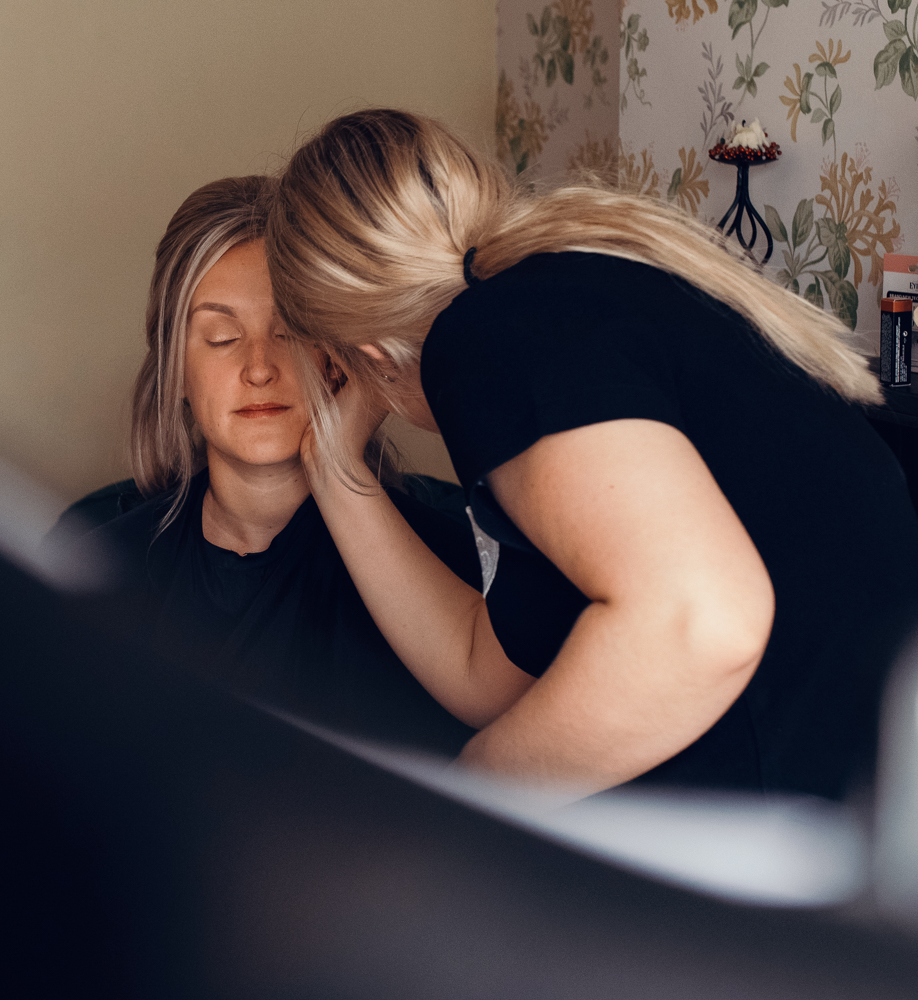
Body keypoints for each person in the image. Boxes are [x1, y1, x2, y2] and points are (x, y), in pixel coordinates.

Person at [265, 108, 918, 801]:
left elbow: (698, 624)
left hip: (789, 831)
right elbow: (486, 676)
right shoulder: (593, 290)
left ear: (365, 352)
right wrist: (337, 472)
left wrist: (462, 810)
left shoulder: (488, 338)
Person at [65, 175, 486, 757]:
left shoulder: (458, 569)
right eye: (220, 337)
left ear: (339, 354)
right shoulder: (96, 571)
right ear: (175, 370)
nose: (259, 368)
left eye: (289, 331)